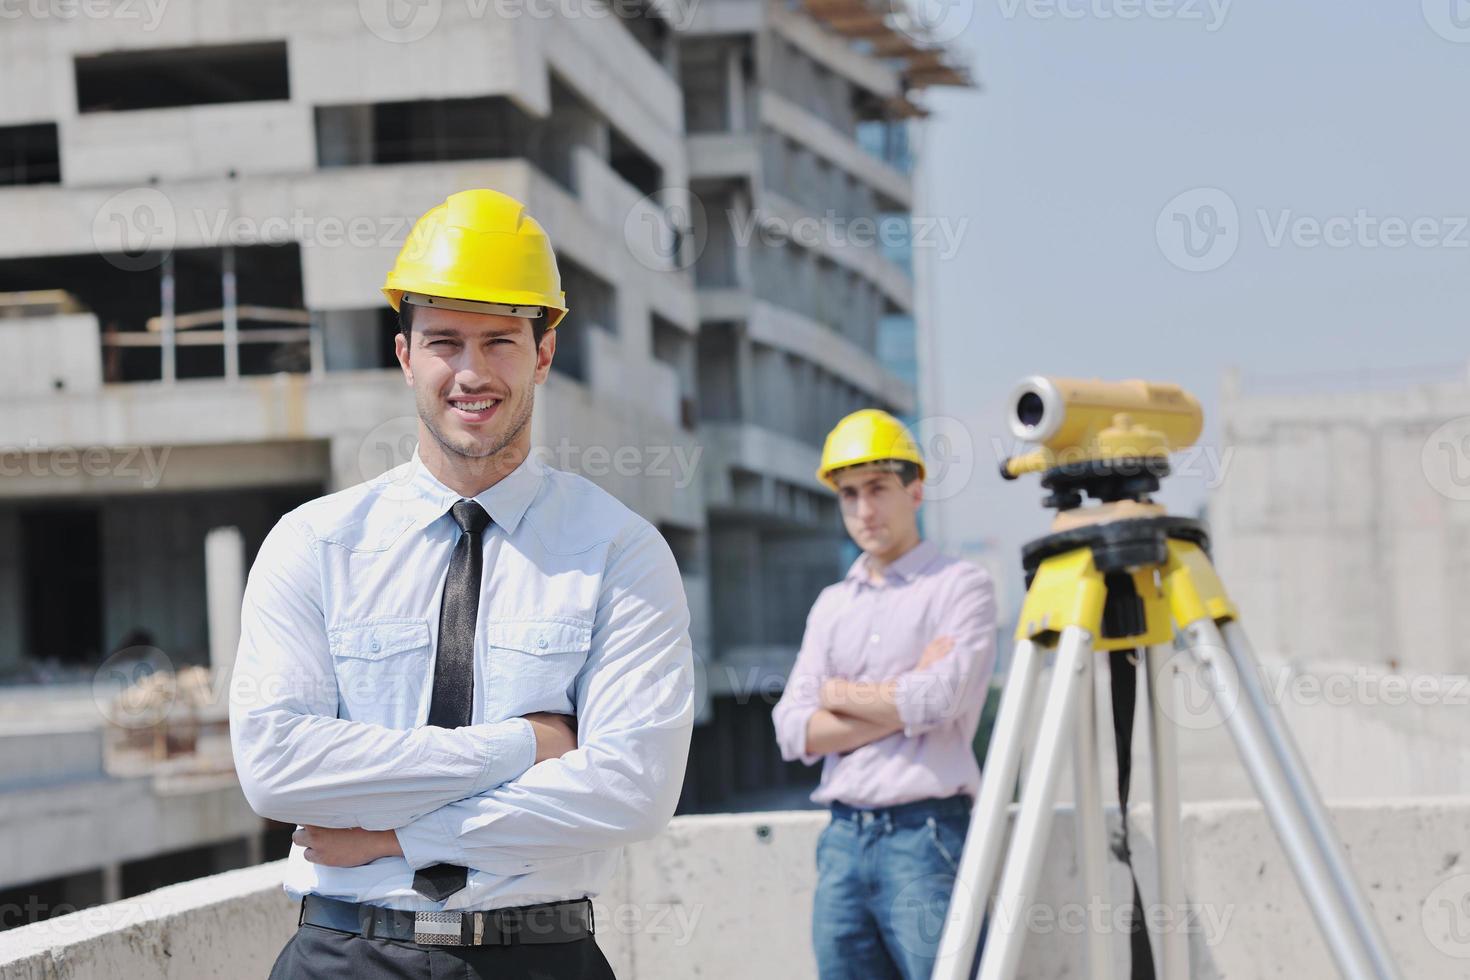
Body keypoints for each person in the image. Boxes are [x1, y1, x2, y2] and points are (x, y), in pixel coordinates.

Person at [230, 188, 695, 979]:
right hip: (344, 955)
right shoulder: (314, 544)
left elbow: (632, 788)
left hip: (538, 956)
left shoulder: (619, 551)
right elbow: (276, 767)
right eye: (445, 340)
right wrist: (524, 743)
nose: (472, 372)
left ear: (543, 354)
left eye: (500, 341)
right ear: (406, 353)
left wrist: (398, 836)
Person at [772, 408, 996, 980]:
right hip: (843, 839)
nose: (863, 510)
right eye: (849, 494)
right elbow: (793, 728)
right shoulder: (832, 603)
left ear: (915, 489)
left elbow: (939, 699)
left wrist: (836, 695)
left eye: (878, 489)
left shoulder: (960, 586)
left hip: (927, 837)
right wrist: (898, 701)